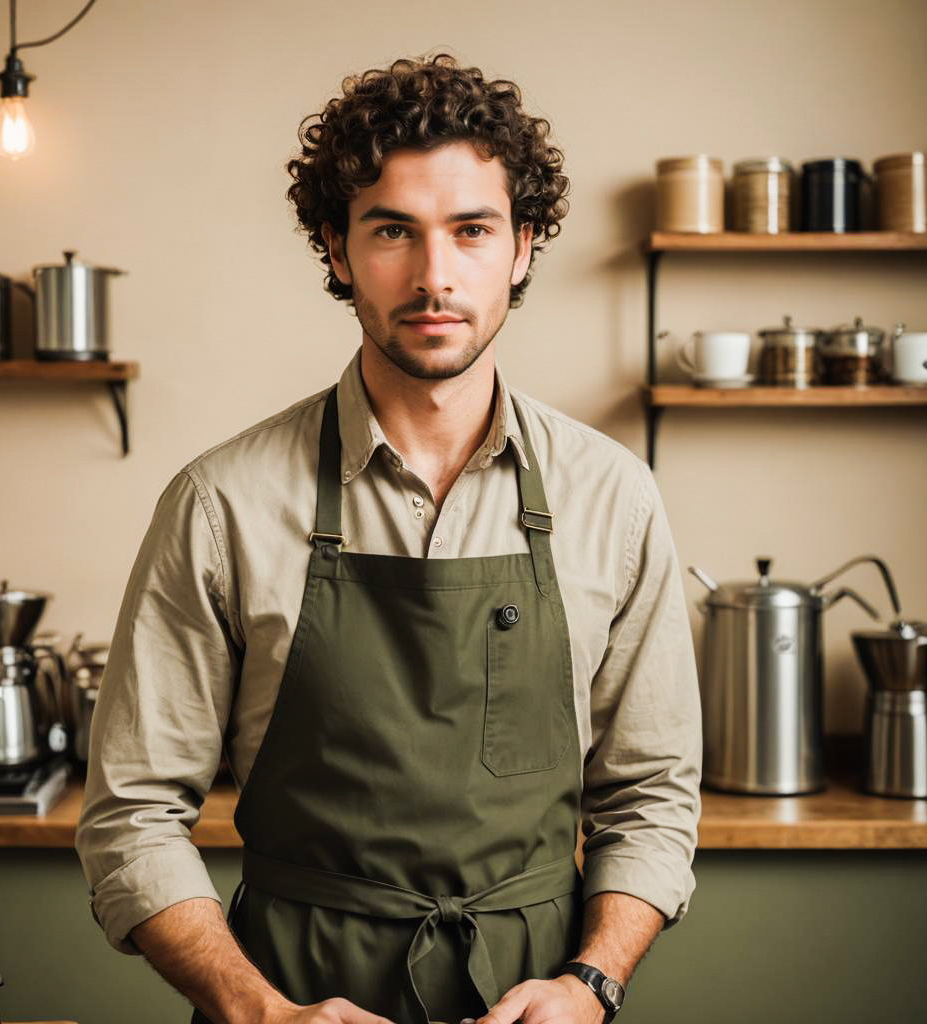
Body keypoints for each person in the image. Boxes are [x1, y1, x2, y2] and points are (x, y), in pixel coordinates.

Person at [75, 53, 701, 1024]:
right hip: (284, 990)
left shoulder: (611, 496)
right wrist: (258, 1010)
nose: (433, 274)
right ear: (336, 248)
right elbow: (131, 815)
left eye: (471, 231)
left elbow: (651, 793)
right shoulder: (221, 501)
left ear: (523, 246)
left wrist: (591, 980)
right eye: (391, 232)